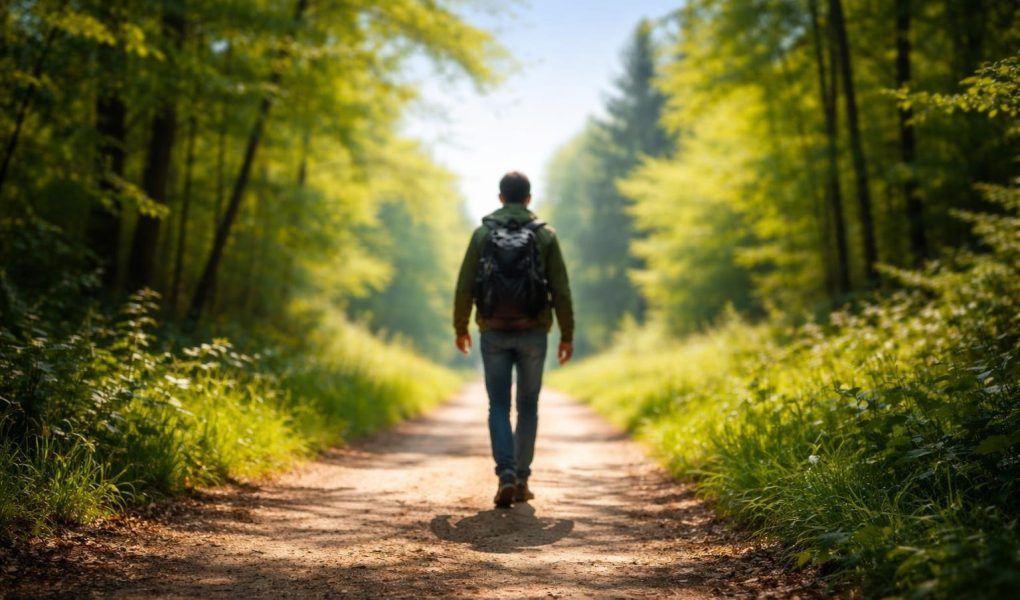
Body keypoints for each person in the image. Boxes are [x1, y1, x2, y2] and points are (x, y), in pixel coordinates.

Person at [453, 171, 574, 508]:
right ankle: (522, 479)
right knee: (528, 405)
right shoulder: (545, 235)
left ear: (500, 198)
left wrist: (460, 327)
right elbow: (560, 289)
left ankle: (505, 473)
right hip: (533, 330)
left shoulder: (482, 233)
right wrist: (567, 335)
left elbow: (465, 285)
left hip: (493, 330)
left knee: (499, 405)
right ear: (529, 199)